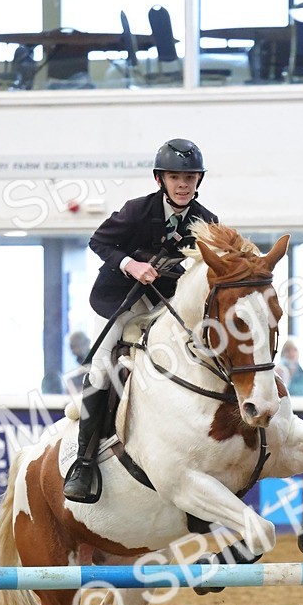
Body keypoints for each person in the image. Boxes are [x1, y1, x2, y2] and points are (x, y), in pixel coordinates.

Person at [62, 138, 218, 502]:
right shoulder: (136, 210)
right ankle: (85, 463)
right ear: (160, 179)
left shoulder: (207, 221)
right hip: (123, 298)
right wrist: (131, 265)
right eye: (175, 177)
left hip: (168, 303)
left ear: (198, 180)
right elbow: (99, 241)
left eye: (191, 177)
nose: (183, 185)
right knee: (102, 368)